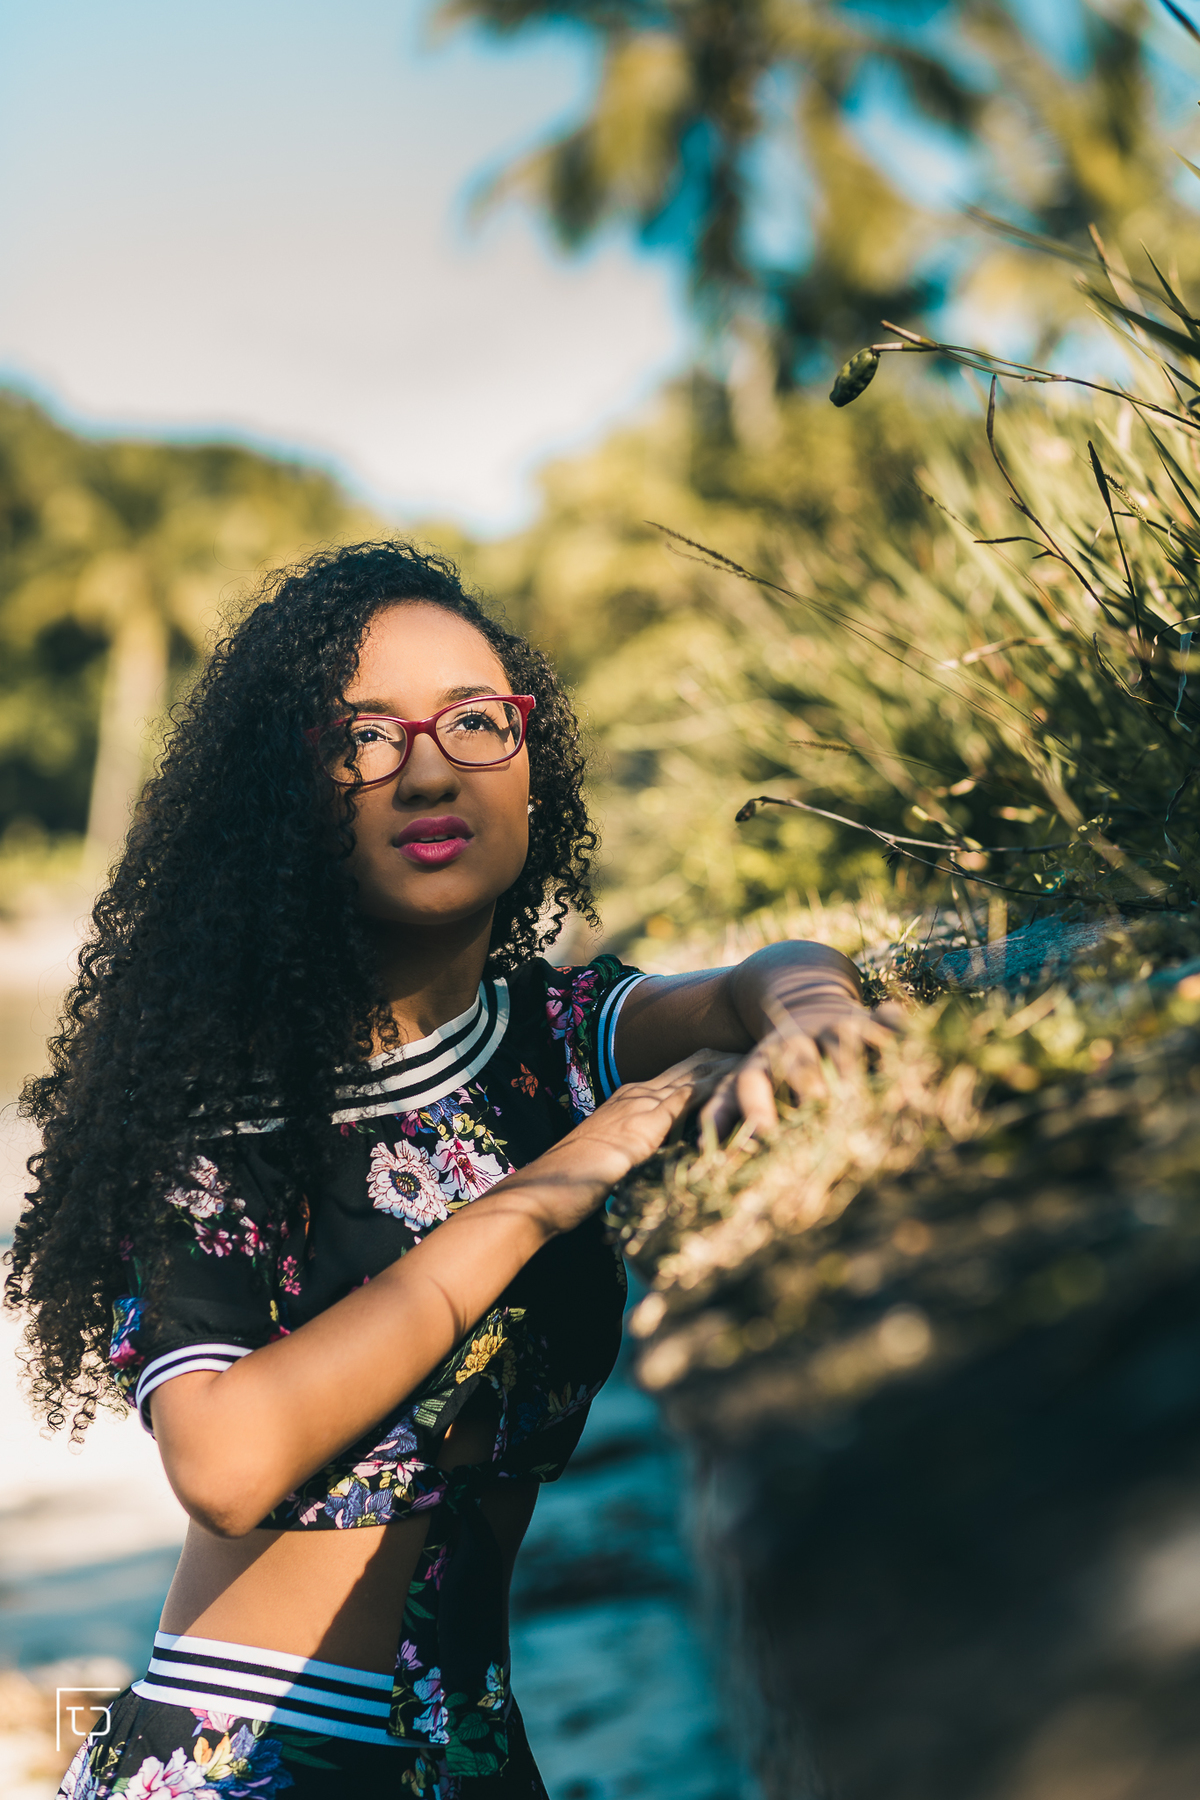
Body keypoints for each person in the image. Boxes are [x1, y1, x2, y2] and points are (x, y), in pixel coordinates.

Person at [8, 542, 877, 1799]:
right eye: (365, 736)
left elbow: (767, 972)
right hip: (247, 1753)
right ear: (285, 799)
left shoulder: (552, 1035)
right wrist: (543, 1192)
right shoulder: (217, 1118)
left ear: (532, 767)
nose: (429, 766)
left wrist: (816, 1015)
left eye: (477, 722)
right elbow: (227, 1461)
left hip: (472, 1748)